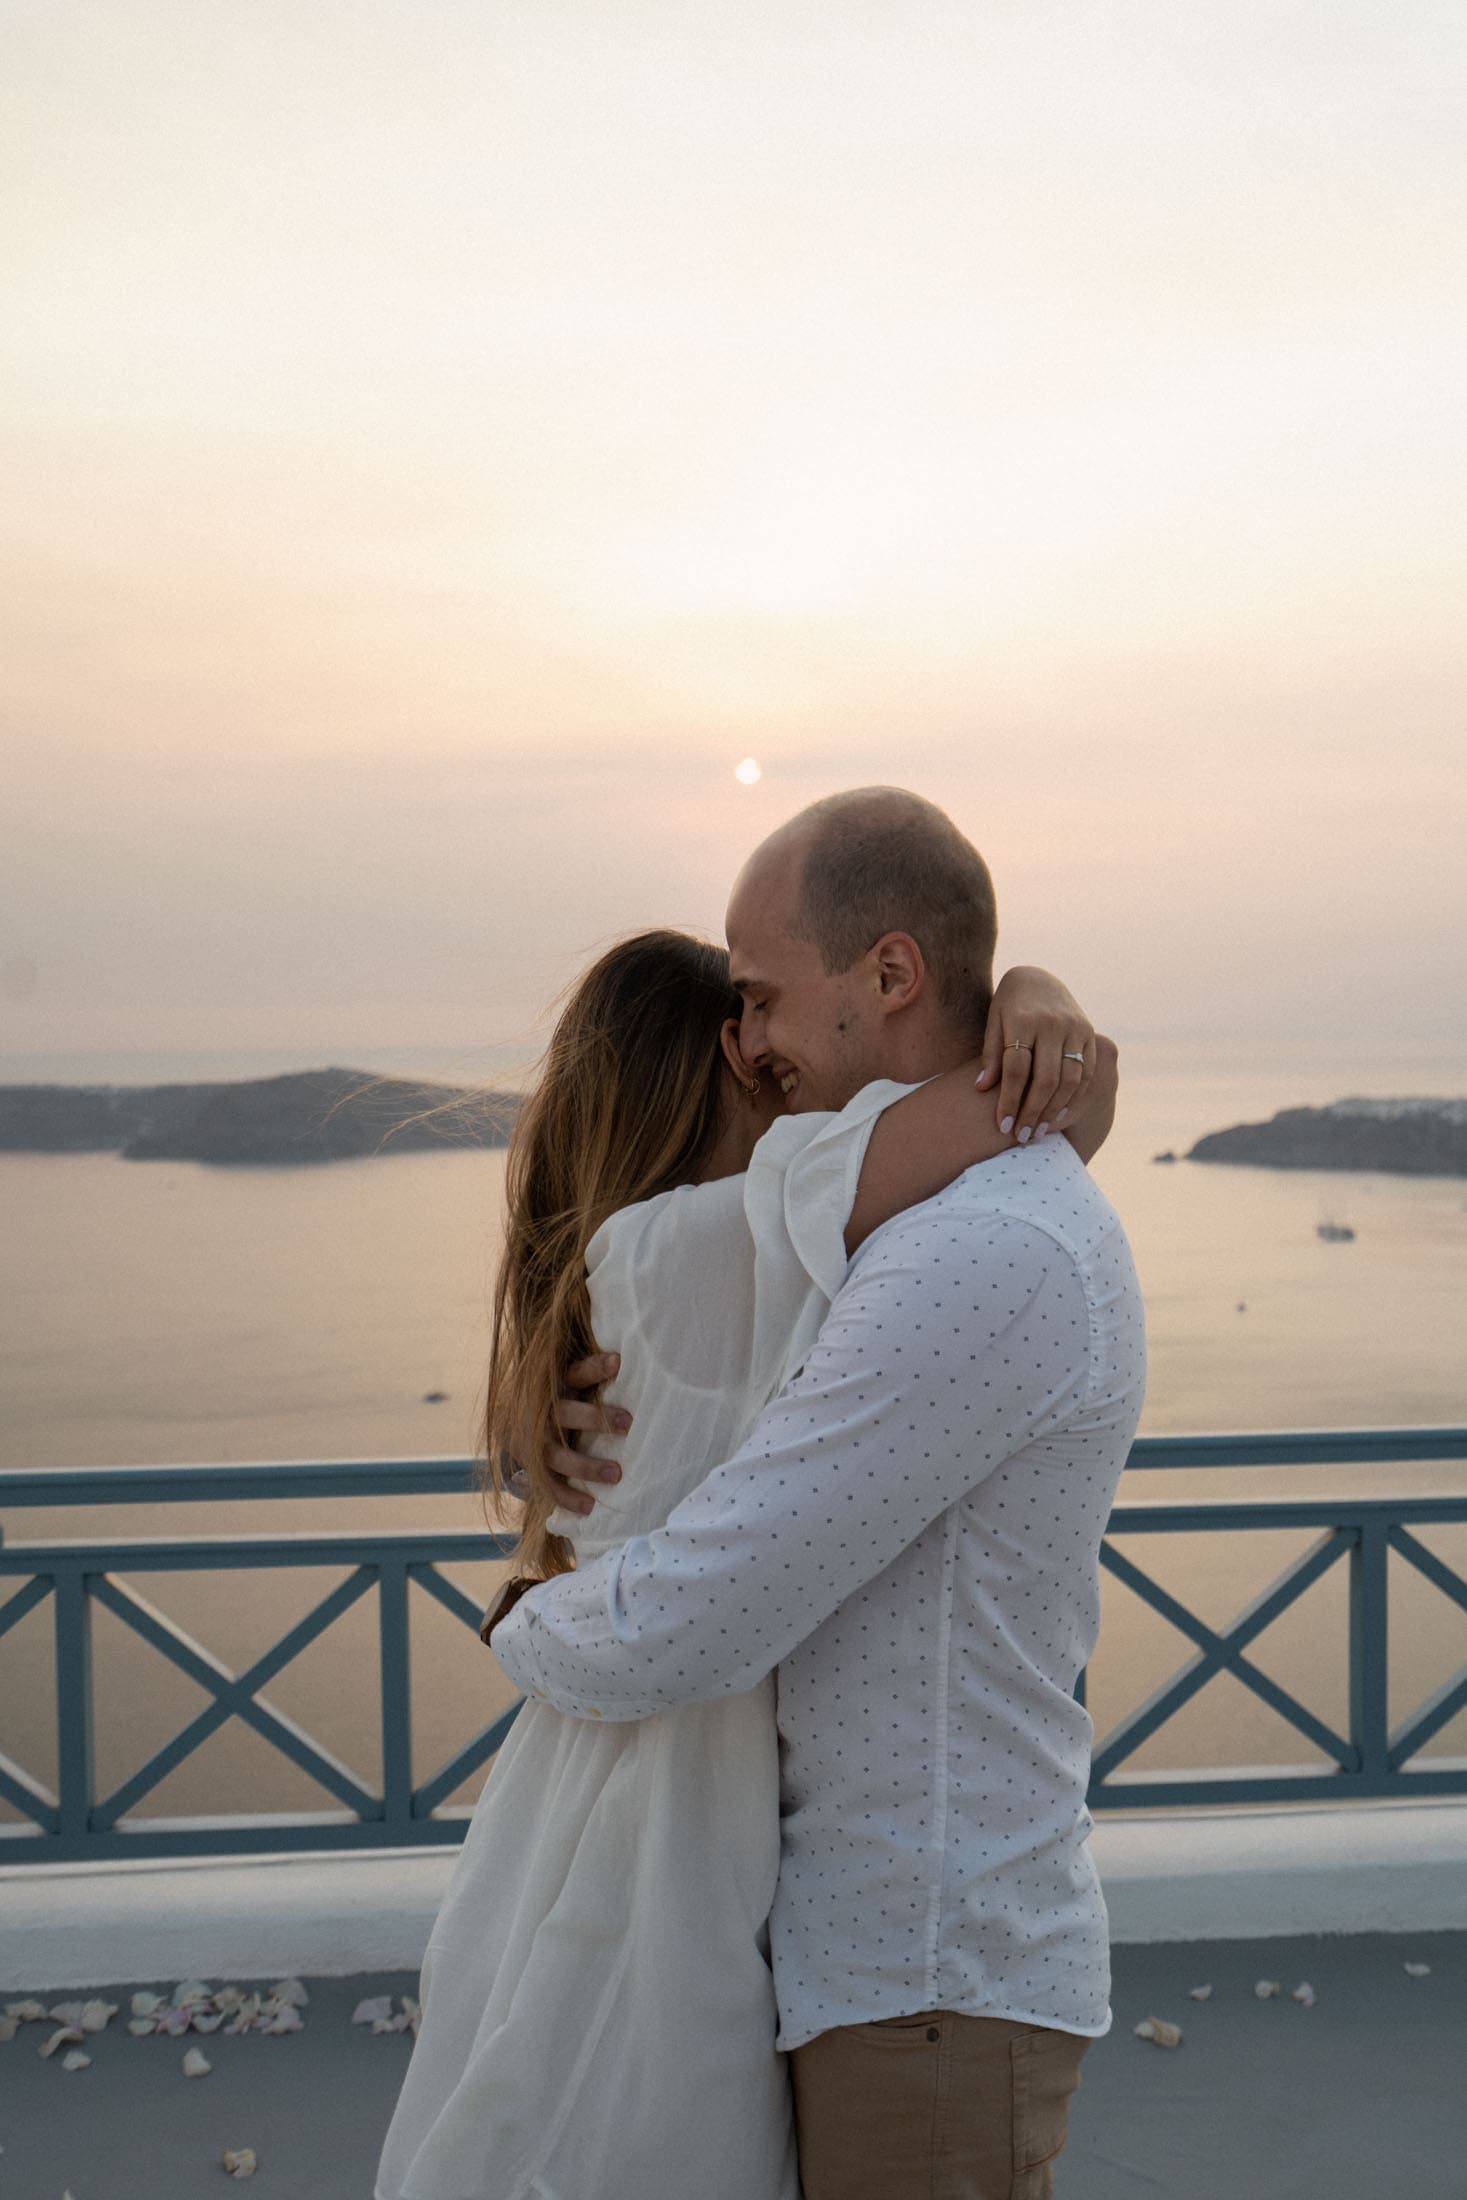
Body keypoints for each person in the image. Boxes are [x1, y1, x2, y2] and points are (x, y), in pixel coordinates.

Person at [374, 880, 1115, 2199]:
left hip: (629, 1766)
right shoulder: (719, 1241)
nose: (780, 1053)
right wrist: (1026, 1009)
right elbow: (1019, 1113)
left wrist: (1029, 994)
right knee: (650, 2125)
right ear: (722, 1059)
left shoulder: (667, 1258)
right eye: (755, 1022)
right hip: (672, 1775)